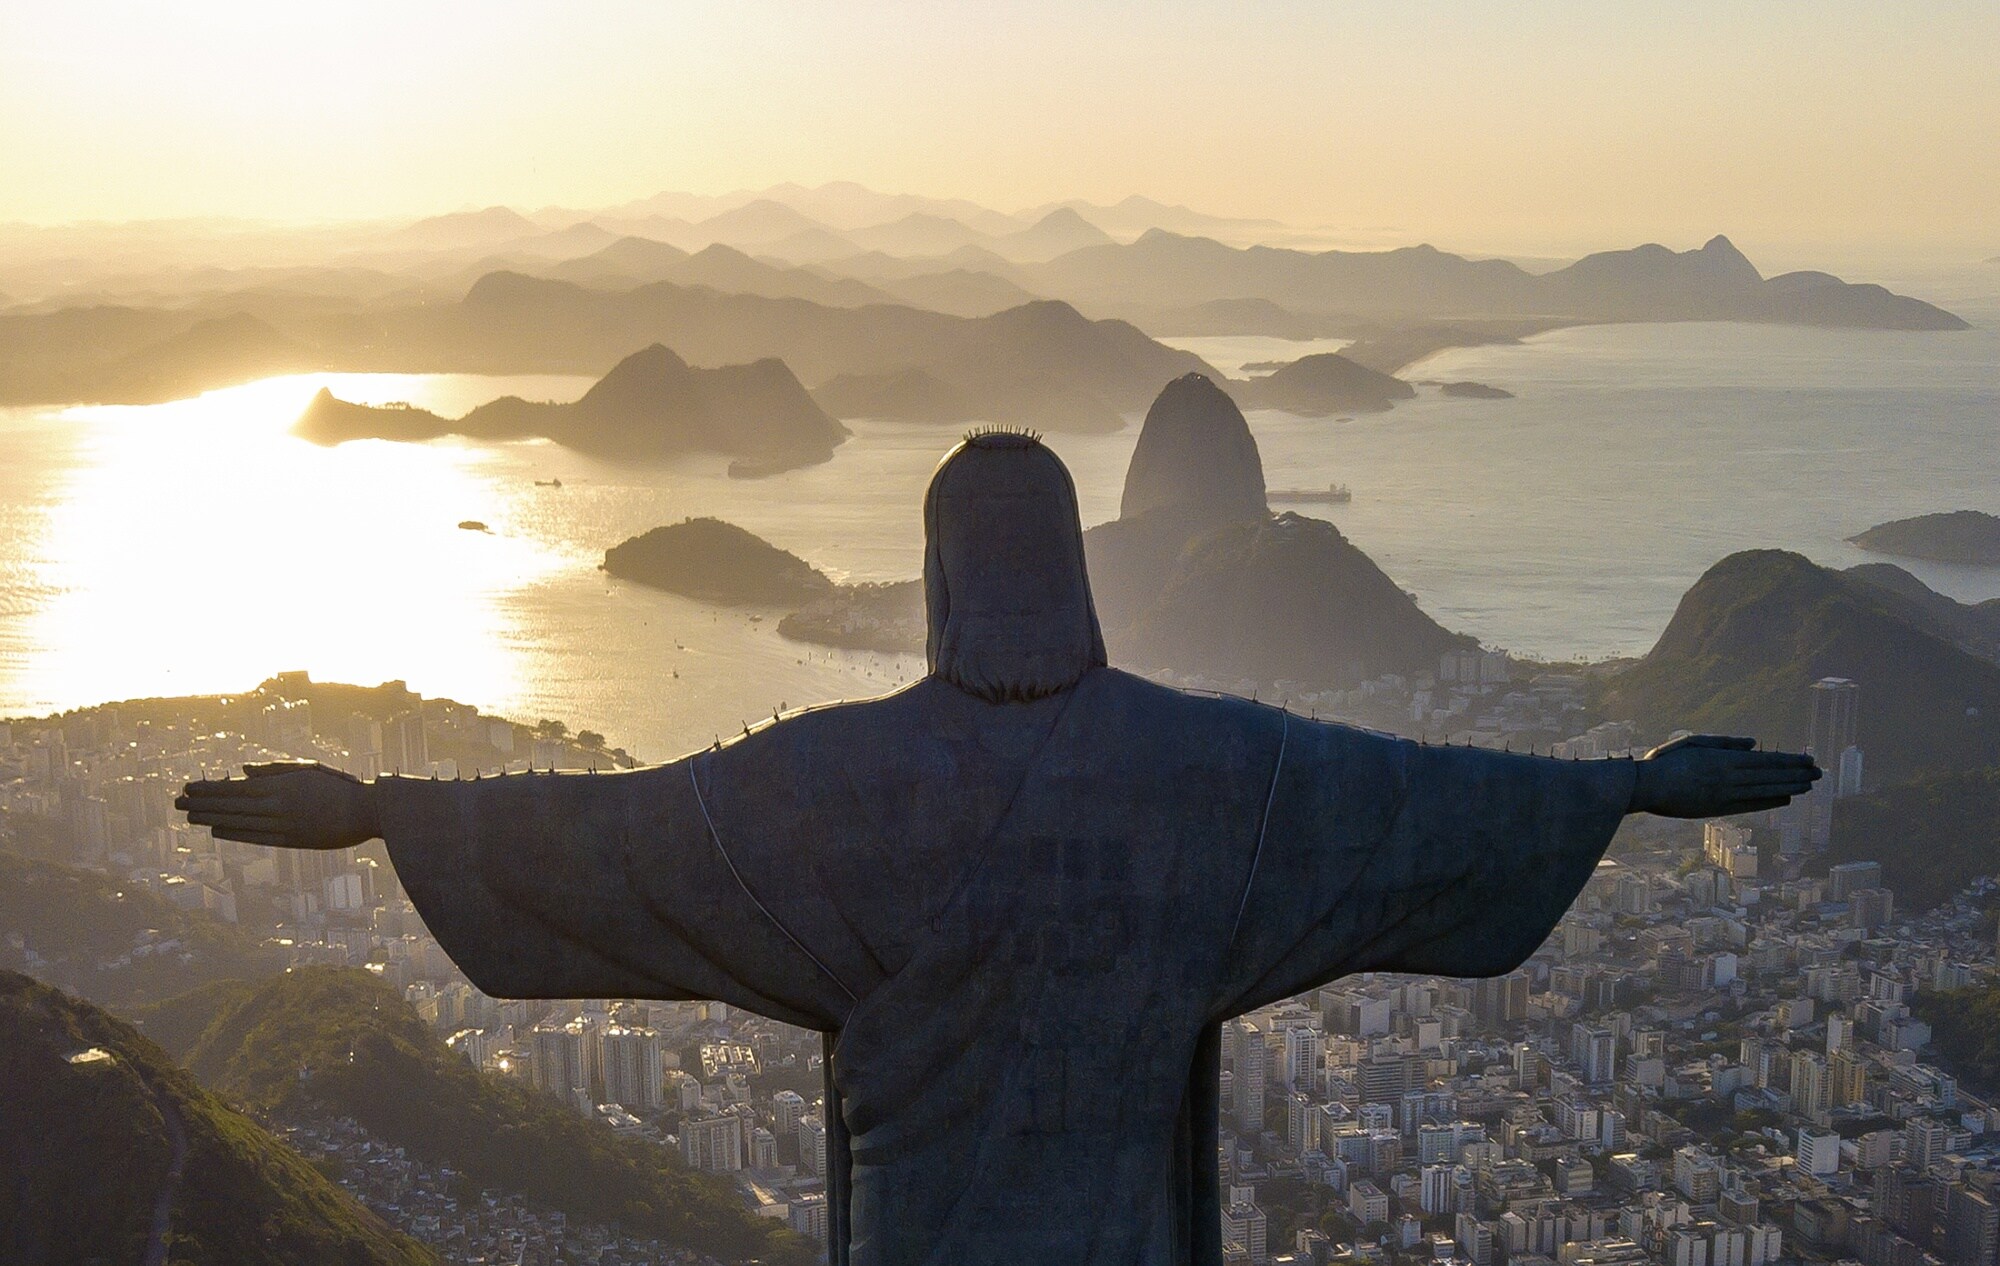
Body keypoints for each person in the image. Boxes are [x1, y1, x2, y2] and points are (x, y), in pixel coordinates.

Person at [179, 432, 1817, 1265]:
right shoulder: (1218, 775)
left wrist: (391, 809)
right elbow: (1411, 803)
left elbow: (613, 835)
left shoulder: (818, 789)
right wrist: (1621, 786)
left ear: (945, 575)